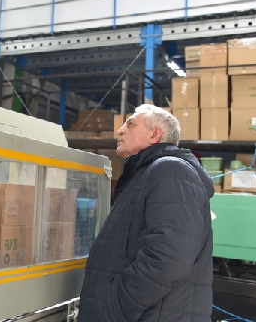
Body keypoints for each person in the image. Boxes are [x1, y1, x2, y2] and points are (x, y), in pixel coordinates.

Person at [78, 104, 214, 321]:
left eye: (130, 124)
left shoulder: (170, 170)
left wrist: (115, 305)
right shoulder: (147, 174)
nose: (120, 130)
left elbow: (169, 257)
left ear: (155, 134)